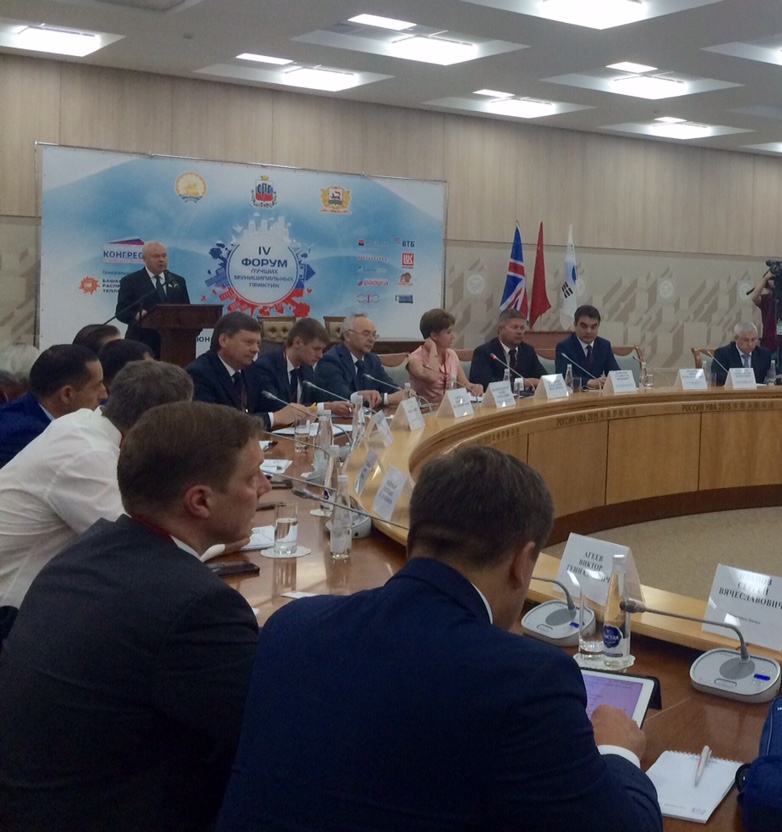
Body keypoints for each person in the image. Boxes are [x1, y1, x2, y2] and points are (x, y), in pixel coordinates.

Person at [214, 446, 661, 832]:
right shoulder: (525, 680)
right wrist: (617, 751)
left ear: (414, 537)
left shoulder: (291, 626)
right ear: (522, 562)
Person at [0, 402, 267, 830]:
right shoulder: (195, 606)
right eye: (252, 478)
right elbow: (264, 725)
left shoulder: (86, 551)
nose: (265, 488)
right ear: (200, 501)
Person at [0, 361, 193, 612]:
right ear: (163, 422)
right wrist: (215, 538)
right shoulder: (85, 454)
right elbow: (142, 549)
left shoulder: (84, 421)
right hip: (11, 613)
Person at [188, 312, 301, 429]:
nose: (256, 349)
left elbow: (265, 403)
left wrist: (294, 412)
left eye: (258, 344)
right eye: (249, 342)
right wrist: (273, 418)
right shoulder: (199, 374)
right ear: (224, 340)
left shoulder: (250, 369)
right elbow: (215, 423)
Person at [0, 344, 105, 469]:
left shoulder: (28, 412)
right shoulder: (28, 436)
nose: (104, 395)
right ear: (67, 394)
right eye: (97, 386)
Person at [248, 317, 352, 417]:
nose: (320, 355)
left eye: (322, 350)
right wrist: (323, 407)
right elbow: (278, 407)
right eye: (316, 349)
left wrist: (333, 406)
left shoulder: (306, 368)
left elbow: (318, 399)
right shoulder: (266, 367)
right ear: (297, 342)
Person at [114, 241, 191, 355]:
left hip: (173, 343)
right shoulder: (131, 281)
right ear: (144, 259)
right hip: (142, 343)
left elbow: (187, 310)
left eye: (164, 255)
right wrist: (136, 315)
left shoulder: (178, 281)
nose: (161, 260)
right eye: (156, 256)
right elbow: (121, 311)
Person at [314, 313, 406, 408]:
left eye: (374, 335)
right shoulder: (330, 361)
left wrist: (403, 393)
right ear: (347, 335)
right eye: (366, 334)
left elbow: (390, 387)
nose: (371, 339)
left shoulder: (372, 360)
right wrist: (386, 399)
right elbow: (342, 397)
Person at [406, 309, 482, 405]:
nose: (453, 337)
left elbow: (464, 384)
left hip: (450, 406)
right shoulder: (415, 359)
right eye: (448, 332)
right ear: (434, 335)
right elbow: (432, 377)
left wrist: (474, 387)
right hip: (426, 409)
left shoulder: (451, 354)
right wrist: (433, 348)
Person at [469, 309, 546, 390]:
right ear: (501, 329)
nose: (519, 332)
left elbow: (544, 377)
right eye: (515, 327)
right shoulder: (485, 352)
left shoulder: (527, 351)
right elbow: (483, 383)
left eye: (522, 328)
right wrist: (521, 383)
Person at [556, 304, 621, 390]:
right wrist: (589, 382)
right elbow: (563, 377)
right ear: (575, 325)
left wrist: (612, 380)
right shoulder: (564, 347)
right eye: (584, 326)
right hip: (575, 395)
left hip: (598, 395)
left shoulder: (604, 346)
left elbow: (615, 373)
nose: (589, 331)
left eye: (593, 327)